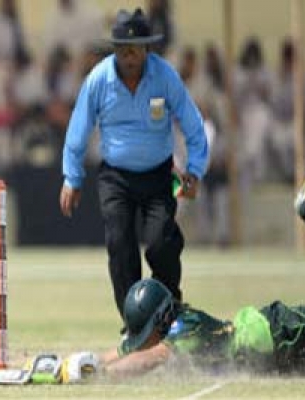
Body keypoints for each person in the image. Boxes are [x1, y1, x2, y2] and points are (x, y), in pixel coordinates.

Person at [99, 147, 305, 377]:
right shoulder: (177, 328)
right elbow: (124, 351)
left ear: (160, 321)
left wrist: (99, 375)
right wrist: (75, 366)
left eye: (144, 337)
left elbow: (142, 361)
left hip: (277, 333)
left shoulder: (184, 329)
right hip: (279, 336)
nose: (143, 344)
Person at [59, 8, 209, 320]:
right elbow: (78, 128)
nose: (129, 56)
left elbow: (193, 124)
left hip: (159, 175)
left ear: (147, 49)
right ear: (114, 49)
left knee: (160, 243)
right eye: (123, 49)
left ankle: (170, 311)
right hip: (115, 177)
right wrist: (71, 178)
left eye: (136, 48)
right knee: (119, 242)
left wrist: (194, 170)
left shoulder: (165, 76)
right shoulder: (99, 79)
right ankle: (134, 321)